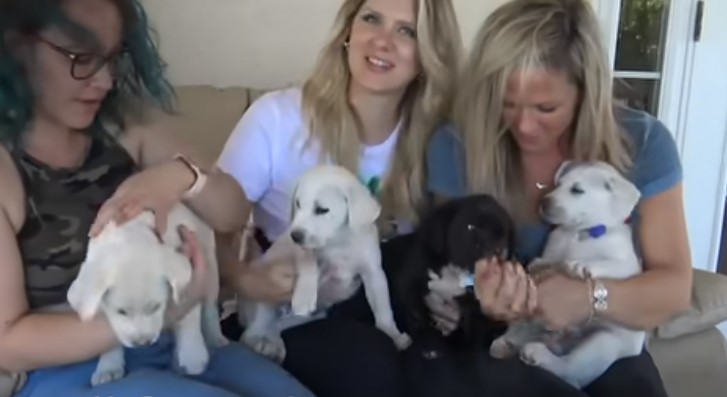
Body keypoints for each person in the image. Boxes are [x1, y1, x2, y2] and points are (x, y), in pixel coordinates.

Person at [0, 1, 316, 397]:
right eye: (81, 58)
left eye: (113, 59)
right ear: (16, 45)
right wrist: (163, 314)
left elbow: (233, 213)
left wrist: (185, 177)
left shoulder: (127, 128)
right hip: (67, 370)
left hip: (184, 340)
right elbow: (8, 343)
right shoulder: (7, 168)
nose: (104, 81)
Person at [426, 0, 691, 396]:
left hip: (605, 334)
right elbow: (443, 262)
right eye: (507, 104)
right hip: (496, 337)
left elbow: (674, 290)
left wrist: (591, 298)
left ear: (586, 91)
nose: (524, 125)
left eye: (545, 107)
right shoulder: (457, 146)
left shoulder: (644, 143)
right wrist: (480, 296)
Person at [215, 0, 463, 396]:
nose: (383, 41)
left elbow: (448, 251)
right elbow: (207, 230)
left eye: (407, 31)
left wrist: (451, 301)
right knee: (369, 366)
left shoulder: (440, 141)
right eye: (371, 19)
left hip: (382, 307)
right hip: (291, 311)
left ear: (428, 56)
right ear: (347, 32)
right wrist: (246, 279)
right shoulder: (277, 118)